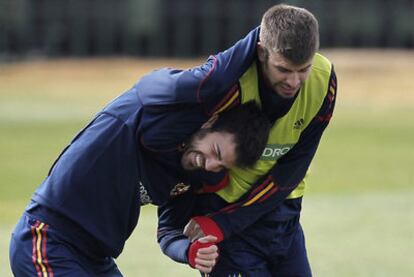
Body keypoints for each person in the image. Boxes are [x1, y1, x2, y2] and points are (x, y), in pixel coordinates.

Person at [8, 67, 271, 277]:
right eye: (215, 150)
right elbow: (189, 80)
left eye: (222, 165)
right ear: (209, 122)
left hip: (96, 259)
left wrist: (189, 251)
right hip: (47, 240)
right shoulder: (142, 120)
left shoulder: (191, 172)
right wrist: (260, 36)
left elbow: (169, 232)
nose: (212, 165)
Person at [157, 4, 337, 276]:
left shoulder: (324, 81)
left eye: (303, 69)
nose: (294, 81)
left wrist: (227, 222)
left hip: (282, 213)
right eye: (283, 69)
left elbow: (297, 163)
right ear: (262, 52)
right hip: (224, 218)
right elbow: (187, 157)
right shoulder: (226, 86)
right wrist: (203, 228)